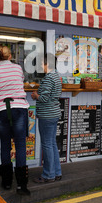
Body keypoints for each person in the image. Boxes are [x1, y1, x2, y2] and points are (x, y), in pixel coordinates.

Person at [0, 46, 30, 195]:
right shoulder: (18, 69)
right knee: (21, 145)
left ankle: (7, 182)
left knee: (5, 145)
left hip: (2, 109)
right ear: (10, 57)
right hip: (19, 108)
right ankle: (22, 185)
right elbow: (19, 82)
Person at [31, 53, 63, 183]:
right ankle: (57, 172)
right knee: (52, 144)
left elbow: (44, 98)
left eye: (41, 63)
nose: (40, 66)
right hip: (54, 113)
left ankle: (48, 175)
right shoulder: (57, 76)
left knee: (47, 145)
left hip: (47, 115)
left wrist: (35, 95)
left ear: (47, 64)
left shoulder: (49, 78)